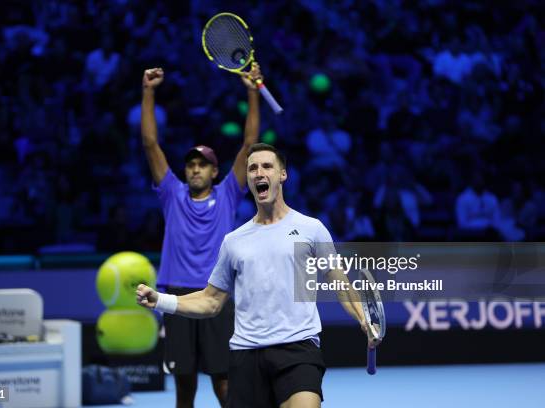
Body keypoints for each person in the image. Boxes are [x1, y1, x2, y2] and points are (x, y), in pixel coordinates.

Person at [137, 143, 379, 408]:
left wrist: (363, 318)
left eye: (267, 166)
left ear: (282, 174)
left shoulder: (312, 229)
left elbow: (340, 283)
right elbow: (210, 301)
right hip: (246, 356)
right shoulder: (234, 241)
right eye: (252, 168)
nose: (258, 173)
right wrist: (160, 300)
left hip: (298, 350)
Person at [140, 64, 262, 408]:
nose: (194, 168)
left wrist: (252, 90)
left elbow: (250, 143)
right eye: (190, 163)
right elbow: (150, 143)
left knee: (223, 383)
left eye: (202, 164)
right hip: (177, 296)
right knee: (184, 386)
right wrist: (148, 91)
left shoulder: (227, 195)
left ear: (214, 171)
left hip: (216, 294)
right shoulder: (171, 193)